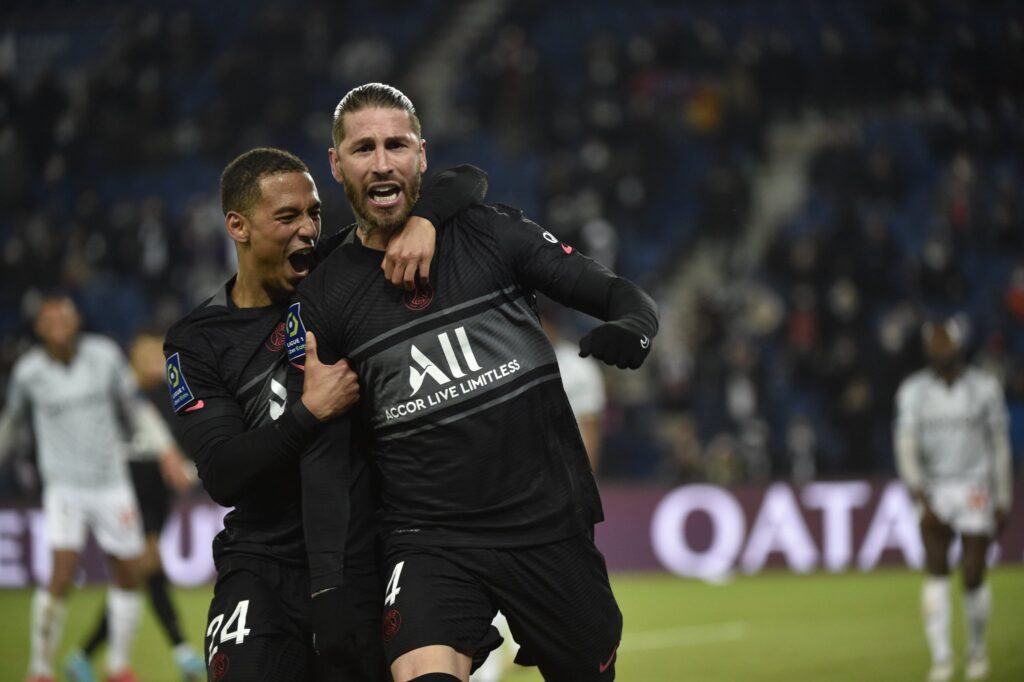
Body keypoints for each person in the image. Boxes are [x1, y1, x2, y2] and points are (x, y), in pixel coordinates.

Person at [292, 82, 658, 682]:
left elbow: (620, 295)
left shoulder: (489, 233)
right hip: (429, 539)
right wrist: (329, 583)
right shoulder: (325, 298)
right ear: (336, 164)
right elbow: (325, 458)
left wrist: (634, 327)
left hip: (546, 524)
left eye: (396, 145)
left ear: (422, 155)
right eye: (362, 149)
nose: (381, 163)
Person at [163, 147, 485, 681]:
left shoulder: (339, 271)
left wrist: (424, 220)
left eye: (313, 213)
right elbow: (223, 473)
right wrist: (309, 412)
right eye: (287, 217)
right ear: (238, 227)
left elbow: (468, 179)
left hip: (362, 558)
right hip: (263, 563)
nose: (308, 230)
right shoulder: (197, 341)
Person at [0, 296, 145, 682]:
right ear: (39, 328)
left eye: (64, 316)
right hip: (63, 485)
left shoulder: (105, 355)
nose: (59, 324)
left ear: (77, 319)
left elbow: (132, 406)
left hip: (111, 481)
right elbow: (12, 422)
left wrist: (158, 448)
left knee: (128, 572)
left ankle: (118, 666)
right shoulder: (29, 372)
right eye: (50, 319)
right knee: (62, 570)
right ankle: (40, 669)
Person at [64, 329, 205, 682]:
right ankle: (182, 653)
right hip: (126, 495)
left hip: (158, 497)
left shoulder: (172, 396)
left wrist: (186, 468)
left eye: (159, 355)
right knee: (145, 567)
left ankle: (83, 657)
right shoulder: (117, 394)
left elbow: (181, 445)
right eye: (146, 355)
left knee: (139, 574)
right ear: (132, 358)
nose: (154, 362)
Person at [895, 318, 1013, 682]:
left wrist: (1003, 496)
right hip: (934, 487)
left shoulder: (985, 388)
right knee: (936, 568)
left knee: (974, 572)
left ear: (959, 346)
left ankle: (976, 650)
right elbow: (906, 446)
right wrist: (918, 491)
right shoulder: (913, 391)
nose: (939, 349)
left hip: (975, 485)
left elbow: (999, 445)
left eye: (944, 342)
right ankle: (942, 658)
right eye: (934, 343)